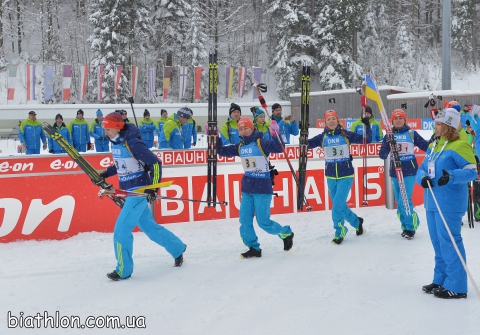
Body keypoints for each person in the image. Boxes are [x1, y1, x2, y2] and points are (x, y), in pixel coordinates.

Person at [99, 111, 187, 281]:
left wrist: (153, 188)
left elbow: (155, 163)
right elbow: (122, 165)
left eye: (108, 129)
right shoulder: (116, 143)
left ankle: (123, 270)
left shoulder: (133, 143)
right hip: (128, 191)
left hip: (138, 191)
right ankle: (177, 248)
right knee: (150, 228)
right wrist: (106, 173)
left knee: (121, 230)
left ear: (117, 127)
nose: (106, 132)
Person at [417, 108, 477, 299]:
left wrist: (451, 176)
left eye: (439, 124)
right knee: (437, 242)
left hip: (450, 202)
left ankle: (457, 286)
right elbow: (422, 168)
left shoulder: (460, 145)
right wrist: (422, 178)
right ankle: (441, 279)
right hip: (432, 201)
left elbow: (472, 172)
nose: (435, 127)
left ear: (448, 126)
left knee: (450, 242)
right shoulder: (434, 145)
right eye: (435, 123)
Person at [216, 117, 294, 258]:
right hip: (247, 188)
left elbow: (279, 148)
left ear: (252, 128)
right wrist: (215, 137)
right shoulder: (240, 146)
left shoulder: (261, 143)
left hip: (262, 187)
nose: (243, 131)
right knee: (244, 220)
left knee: (263, 222)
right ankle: (253, 247)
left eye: (246, 128)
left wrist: (275, 134)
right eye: (240, 129)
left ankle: (286, 232)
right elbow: (221, 151)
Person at [307, 110, 371, 244]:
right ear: (325, 122)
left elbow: (367, 140)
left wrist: (367, 125)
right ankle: (356, 222)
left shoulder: (346, 134)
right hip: (331, 176)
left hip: (346, 175)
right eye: (328, 119)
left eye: (333, 119)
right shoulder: (322, 137)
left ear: (338, 121)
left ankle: (339, 231)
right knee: (340, 205)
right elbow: (307, 145)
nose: (331, 121)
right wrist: (303, 137)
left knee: (336, 206)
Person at [379, 109, 429, 239]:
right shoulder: (389, 135)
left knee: (404, 201)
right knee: (399, 201)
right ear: (392, 121)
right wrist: (387, 143)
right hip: (395, 172)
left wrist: (435, 138)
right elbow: (382, 155)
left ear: (405, 120)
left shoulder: (411, 133)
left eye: (400, 118)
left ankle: (411, 227)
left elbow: (426, 146)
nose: (398, 120)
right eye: (395, 118)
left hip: (409, 171)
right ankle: (405, 226)